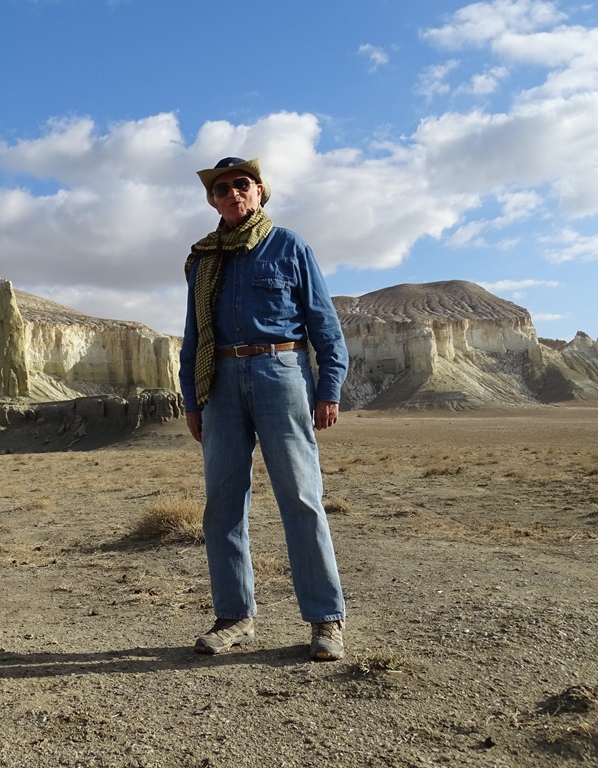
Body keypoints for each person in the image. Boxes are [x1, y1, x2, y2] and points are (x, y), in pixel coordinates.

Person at [180, 156, 349, 661]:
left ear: (259, 192)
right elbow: (194, 337)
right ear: (212, 200)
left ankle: (325, 620)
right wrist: (192, 399)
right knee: (223, 505)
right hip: (222, 383)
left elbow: (324, 323)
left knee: (300, 496)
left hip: (282, 373)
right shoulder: (202, 259)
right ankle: (234, 617)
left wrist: (329, 388)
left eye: (242, 185)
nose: (232, 193)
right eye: (222, 188)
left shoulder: (289, 246)